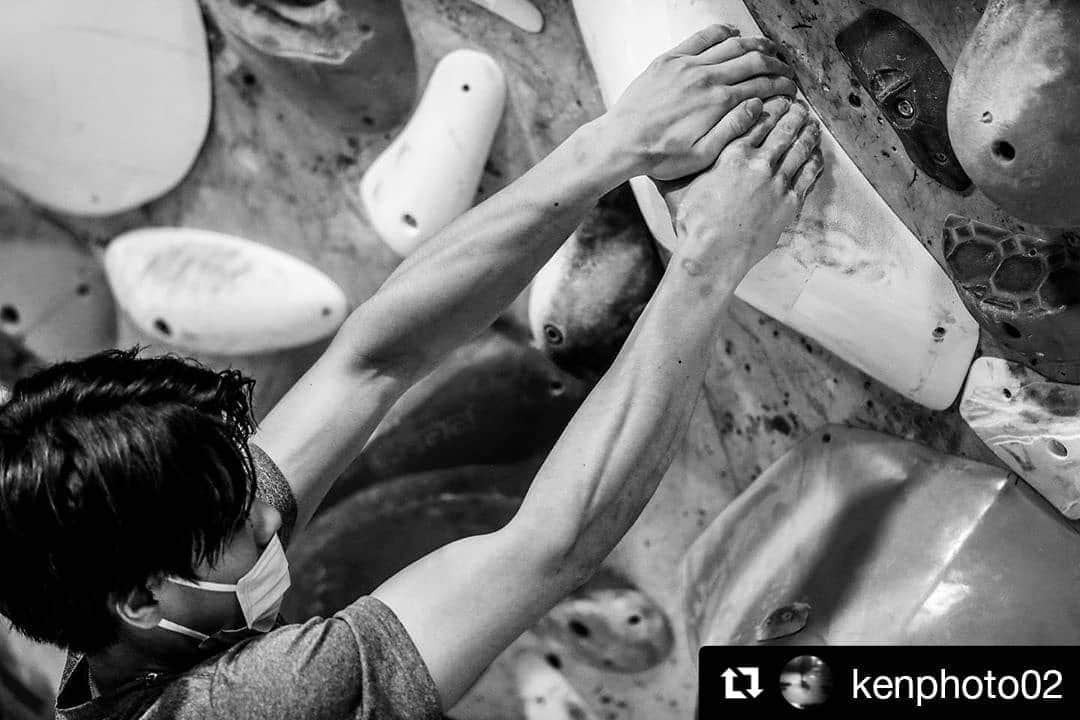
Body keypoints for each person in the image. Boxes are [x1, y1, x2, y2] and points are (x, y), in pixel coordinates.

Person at [0, 25, 822, 719]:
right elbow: (549, 548)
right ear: (142, 598)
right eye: (243, 524)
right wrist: (712, 260)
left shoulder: (159, 588)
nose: (271, 510)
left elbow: (371, 362)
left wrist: (611, 145)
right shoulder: (256, 702)